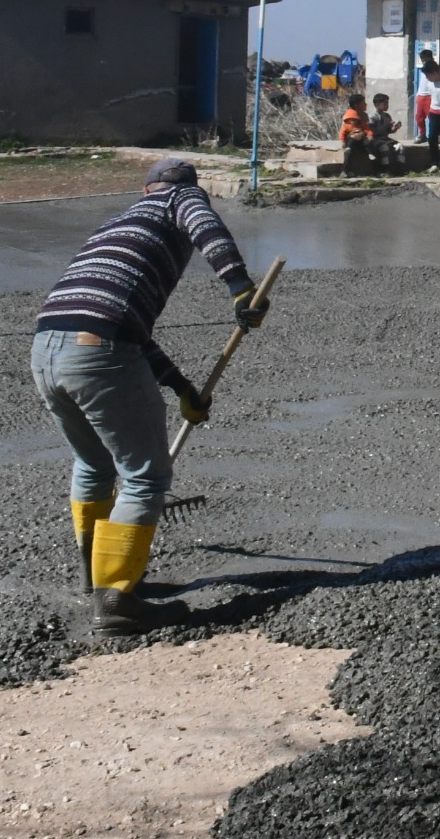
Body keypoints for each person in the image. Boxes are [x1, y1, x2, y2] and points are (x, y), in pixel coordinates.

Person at [31, 158, 265, 634]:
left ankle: (96, 581)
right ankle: (117, 599)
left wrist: (182, 390)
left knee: (94, 465)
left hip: (46, 352)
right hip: (100, 350)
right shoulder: (178, 199)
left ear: (144, 188)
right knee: (144, 477)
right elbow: (207, 227)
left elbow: (125, 331)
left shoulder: (118, 225)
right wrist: (241, 289)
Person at [338, 92, 374, 177]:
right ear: (356, 105)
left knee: (370, 144)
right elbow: (344, 131)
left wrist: (369, 135)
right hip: (351, 139)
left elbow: (366, 127)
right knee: (350, 149)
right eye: (363, 103)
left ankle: (372, 169)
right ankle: (345, 170)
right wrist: (343, 141)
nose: (365, 105)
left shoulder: (363, 115)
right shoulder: (350, 116)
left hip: (362, 138)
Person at [369, 93, 401, 172]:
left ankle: (400, 167)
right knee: (384, 148)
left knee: (400, 146)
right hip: (376, 139)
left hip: (385, 138)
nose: (387, 105)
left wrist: (395, 128)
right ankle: (384, 168)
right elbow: (372, 131)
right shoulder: (372, 117)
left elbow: (389, 131)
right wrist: (384, 126)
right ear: (377, 104)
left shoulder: (387, 116)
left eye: (387, 103)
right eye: (385, 103)